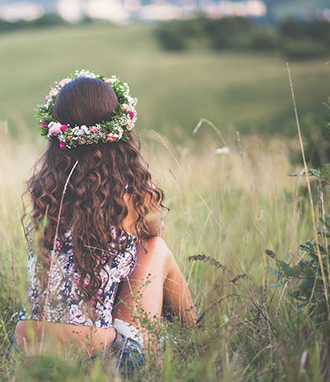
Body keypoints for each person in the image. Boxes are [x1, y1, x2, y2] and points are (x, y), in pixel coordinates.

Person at [13, 70, 196, 373]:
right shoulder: (133, 198)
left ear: (58, 131)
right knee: (155, 248)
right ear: (118, 131)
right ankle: (199, 340)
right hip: (98, 361)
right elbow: (150, 237)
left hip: (27, 352)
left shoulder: (45, 193)